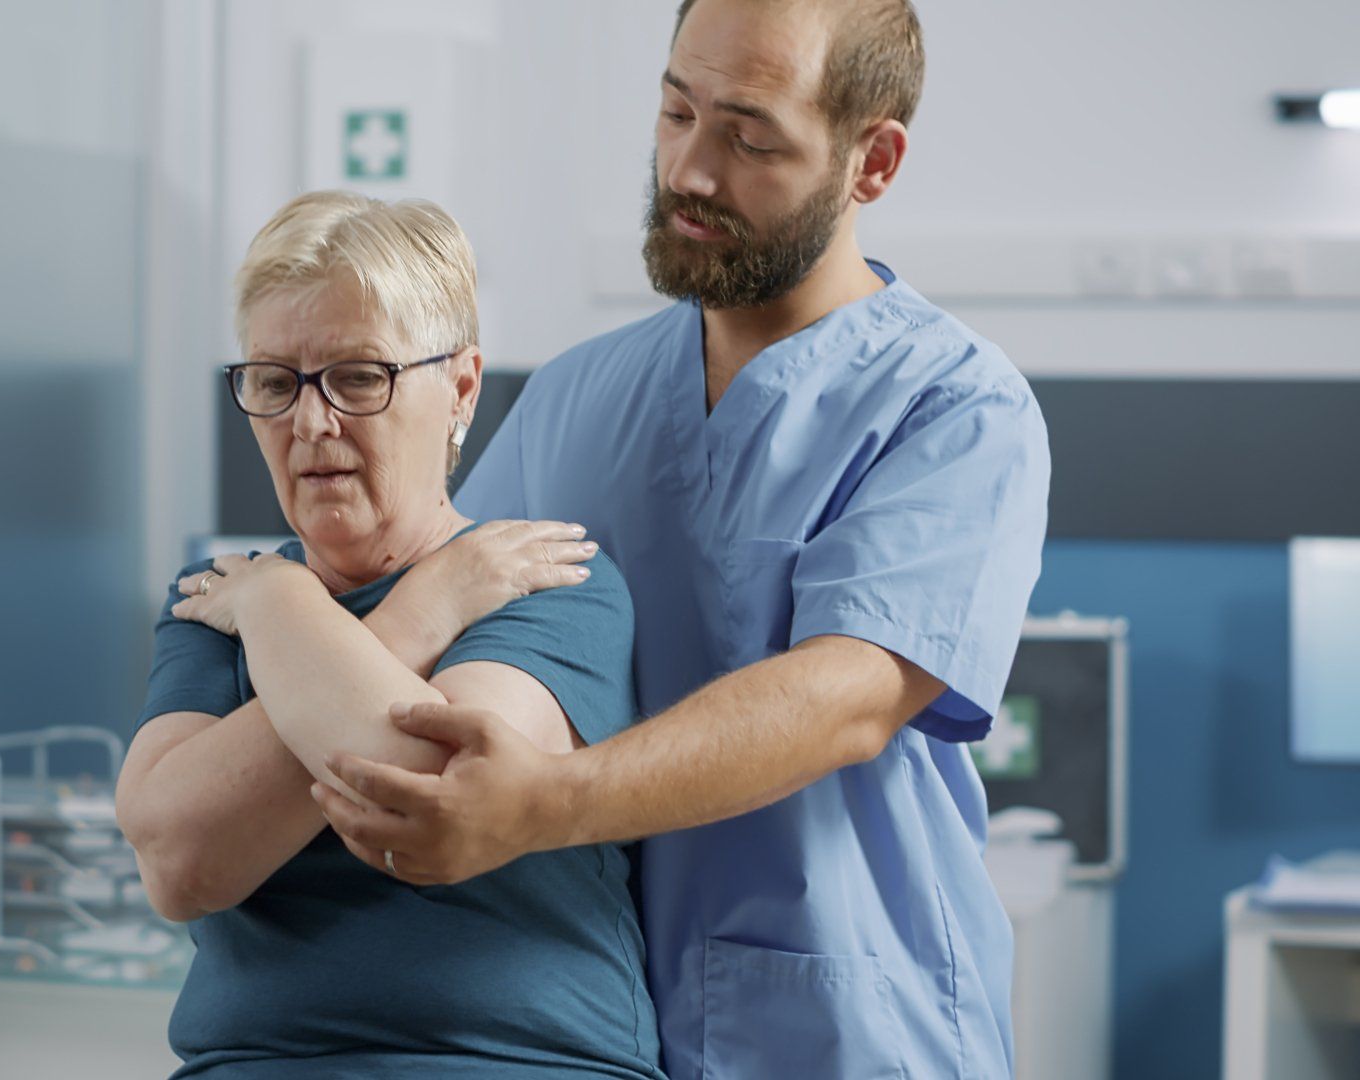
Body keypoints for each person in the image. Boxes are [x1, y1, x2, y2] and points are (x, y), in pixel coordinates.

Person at [312, 1, 1050, 1077]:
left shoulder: (952, 407)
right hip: (583, 1032)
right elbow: (436, 638)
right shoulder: (574, 398)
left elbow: (848, 695)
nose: (690, 171)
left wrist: (542, 806)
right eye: (674, 111)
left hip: (848, 1026)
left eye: (749, 137)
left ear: (872, 161)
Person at [115, 191, 669, 1079]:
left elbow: (427, 799)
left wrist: (284, 612)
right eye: (273, 381)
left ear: (459, 389)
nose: (310, 423)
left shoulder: (544, 580)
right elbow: (179, 860)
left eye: (359, 377)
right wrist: (385, 607)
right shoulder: (221, 604)